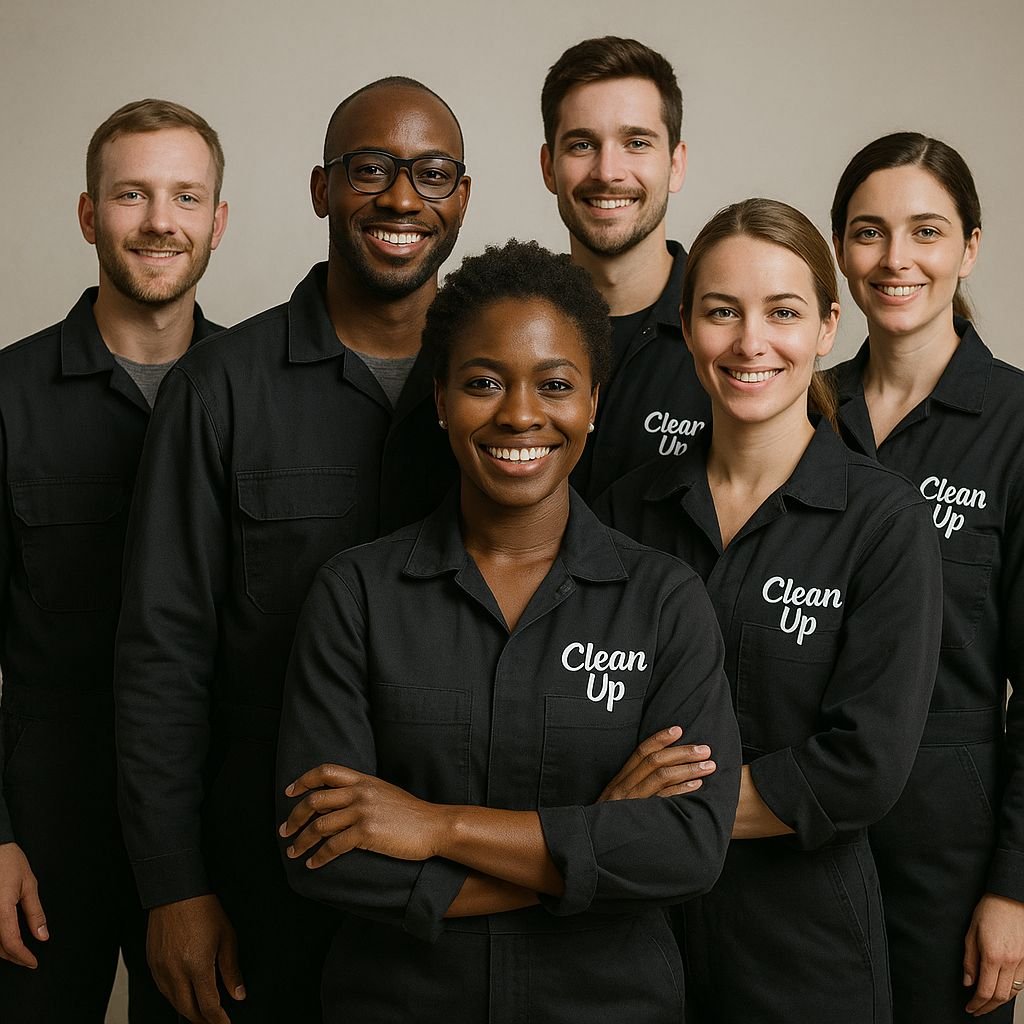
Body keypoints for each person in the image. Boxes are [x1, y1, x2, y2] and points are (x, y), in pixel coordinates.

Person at [275, 238, 742, 1023]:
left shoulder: (664, 601)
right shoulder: (355, 594)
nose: (520, 413)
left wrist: (434, 826)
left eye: (554, 384)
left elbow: (687, 847)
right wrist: (590, 844)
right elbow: (325, 856)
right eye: (484, 382)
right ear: (440, 400)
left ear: (594, 403)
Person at [114, 78, 470, 1024]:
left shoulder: (502, 391)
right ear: (321, 190)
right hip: (251, 877)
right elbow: (161, 654)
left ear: (462, 199)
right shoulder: (219, 390)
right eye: (369, 170)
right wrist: (172, 887)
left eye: (432, 174)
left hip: (449, 890)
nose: (401, 199)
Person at [597, 199, 943, 1021]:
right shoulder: (621, 514)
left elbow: (861, 768)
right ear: (686, 327)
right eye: (722, 311)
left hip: (804, 945)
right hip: (627, 941)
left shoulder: (885, 525)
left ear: (828, 326)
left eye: (783, 312)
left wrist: (642, 819)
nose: (752, 343)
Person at [0, 98, 227, 1023]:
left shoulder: (257, 392)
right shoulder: (8, 397)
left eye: (185, 196)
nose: (160, 221)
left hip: (213, 836)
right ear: (90, 215)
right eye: (131, 195)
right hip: (46, 838)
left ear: (219, 221)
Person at [830, 132, 1024, 1022]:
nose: (896, 259)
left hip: (952, 851)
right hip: (799, 832)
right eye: (869, 232)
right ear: (839, 250)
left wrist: (1015, 891)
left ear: (970, 247)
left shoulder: (1016, 424)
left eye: (927, 231)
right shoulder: (800, 406)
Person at [540, 36, 710, 500]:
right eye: (581, 145)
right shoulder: (508, 327)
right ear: (548, 167)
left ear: (675, 165)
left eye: (636, 142)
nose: (608, 171)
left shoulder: (734, 337)